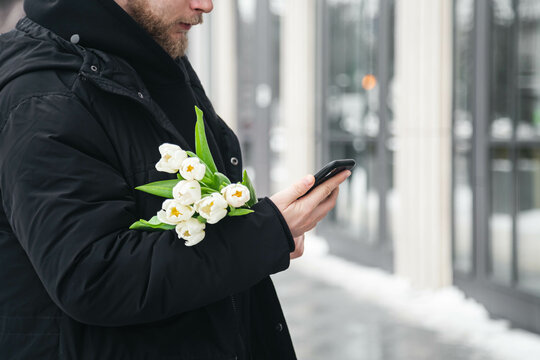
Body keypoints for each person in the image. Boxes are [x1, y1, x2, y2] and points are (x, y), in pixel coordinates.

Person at [0, 0, 350, 359]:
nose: (206, 5)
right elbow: (94, 278)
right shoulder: (43, 99)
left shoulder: (146, 61)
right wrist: (262, 235)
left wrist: (266, 231)